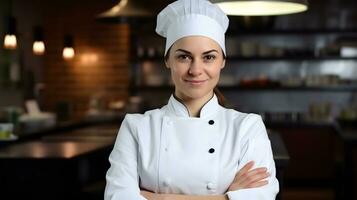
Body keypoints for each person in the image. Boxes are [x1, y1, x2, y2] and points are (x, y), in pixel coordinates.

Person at [104, 0, 279, 199]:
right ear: (167, 60)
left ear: (222, 62)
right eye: (184, 57)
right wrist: (227, 197)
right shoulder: (136, 128)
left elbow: (262, 196)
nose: (195, 70)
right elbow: (117, 197)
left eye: (209, 57)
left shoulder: (247, 127)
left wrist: (161, 198)